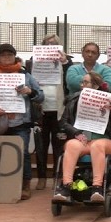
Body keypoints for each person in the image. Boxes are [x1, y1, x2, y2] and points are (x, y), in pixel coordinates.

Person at [0, 43, 44, 200]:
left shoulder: (25, 75)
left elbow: (41, 96)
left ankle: (25, 183)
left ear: (15, 57)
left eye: (10, 55)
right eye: (3, 55)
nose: (7, 58)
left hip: (21, 122)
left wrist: (30, 91)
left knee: (23, 152)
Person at [54, 72, 111, 204]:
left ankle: (97, 187)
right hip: (82, 139)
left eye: (85, 82)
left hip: (104, 140)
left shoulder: (110, 100)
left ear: (95, 86)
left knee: (98, 146)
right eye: (82, 82)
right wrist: (76, 133)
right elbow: (63, 122)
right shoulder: (73, 100)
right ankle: (66, 186)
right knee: (71, 145)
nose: (82, 85)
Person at [29, 34, 72, 190]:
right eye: (47, 44)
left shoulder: (66, 63)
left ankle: (57, 176)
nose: (50, 47)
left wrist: (65, 62)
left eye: (54, 44)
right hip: (41, 109)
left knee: (58, 144)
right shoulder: (34, 63)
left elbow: (71, 82)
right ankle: (41, 177)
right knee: (41, 145)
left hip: (59, 109)